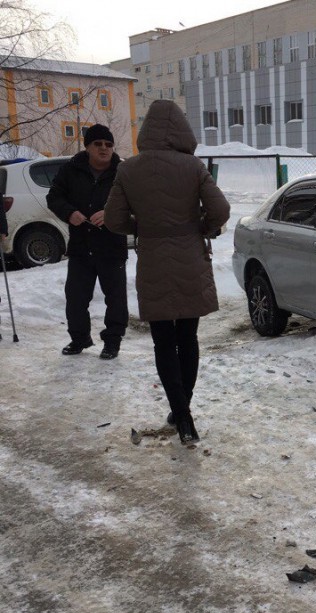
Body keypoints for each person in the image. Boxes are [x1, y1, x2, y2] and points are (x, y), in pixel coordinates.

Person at [104, 100, 230, 445]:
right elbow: (220, 209)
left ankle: (183, 415)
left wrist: (143, 226)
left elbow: (114, 219)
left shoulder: (129, 169)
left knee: (163, 341)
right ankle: (183, 410)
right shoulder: (193, 167)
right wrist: (202, 227)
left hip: (154, 260)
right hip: (190, 255)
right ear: (181, 130)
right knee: (188, 338)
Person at [46, 124, 128, 359]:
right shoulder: (71, 169)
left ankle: (112, 341)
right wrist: (69, 212)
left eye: (109, 144)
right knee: (76, 297)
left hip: (112, 246)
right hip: (81, 246)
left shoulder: (122, 172)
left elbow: (135, 204)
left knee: (116, 299)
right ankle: (79, 338)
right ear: (88, 147)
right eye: (98, 144)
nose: (104, 149)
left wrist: (111, 214)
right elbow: (54, 197)